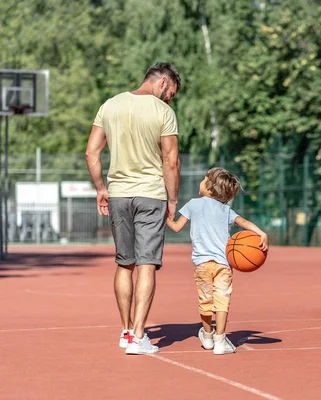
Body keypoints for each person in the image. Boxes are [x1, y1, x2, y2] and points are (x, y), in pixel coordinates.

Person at [85, 62, 181, 355]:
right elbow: (171, 160)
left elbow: (92, 152)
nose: (169, 99)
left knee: (124, 263)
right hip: (151, 195)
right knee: (146, 263)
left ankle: (127, 332)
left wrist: (101, 188)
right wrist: (173, 199)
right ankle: (140, 336)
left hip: (118, 195)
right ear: (163, 82)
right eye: (171, 93)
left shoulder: (110, 105)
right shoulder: (163, 112)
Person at [166, 167, 268, 355]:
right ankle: (220, 340)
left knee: (205, 301)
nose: (200, 182)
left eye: (203, 179)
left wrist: (164, 213)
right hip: (223, 264)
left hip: (202, 264)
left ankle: (207, 336)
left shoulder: (193, 205)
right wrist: (261, 233)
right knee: (222, 301)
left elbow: (175, 227)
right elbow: (244, 223)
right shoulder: (226, 210)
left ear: (209, 187)